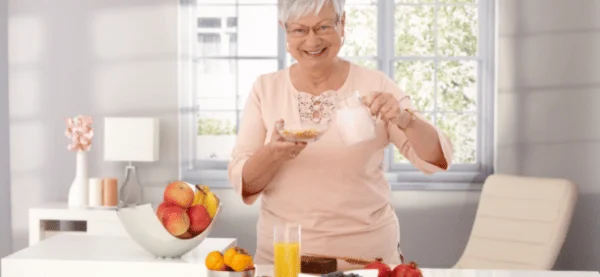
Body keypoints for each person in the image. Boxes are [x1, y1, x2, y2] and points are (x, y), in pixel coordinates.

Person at [228, 0, 453, 267]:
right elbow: (245, 181)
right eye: (300, 30)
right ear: (284, 30)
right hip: (285, 260)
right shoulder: (265, 89)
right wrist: (272, 154)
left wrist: (405, 119)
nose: (312, 41)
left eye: (323, 27)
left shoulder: (376, 84)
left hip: (369, 261)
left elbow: (437, 158)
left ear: (342, 23)